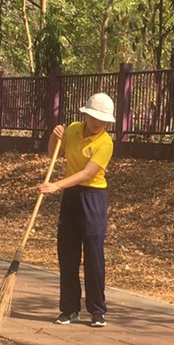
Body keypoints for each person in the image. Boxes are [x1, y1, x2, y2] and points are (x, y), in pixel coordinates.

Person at [39, 93, 115, 327]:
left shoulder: (105, 143)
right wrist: (54, 137)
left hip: (94, 197)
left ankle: (97, 310)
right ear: (85, 114)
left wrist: (57, 185)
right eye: (93, 118)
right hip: (71, 197)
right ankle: (70, 309)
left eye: (102, 120)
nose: (97, 123)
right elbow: (53, 154)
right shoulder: (72, 129)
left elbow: (87, 173)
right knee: (68, 253)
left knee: (93, 254)